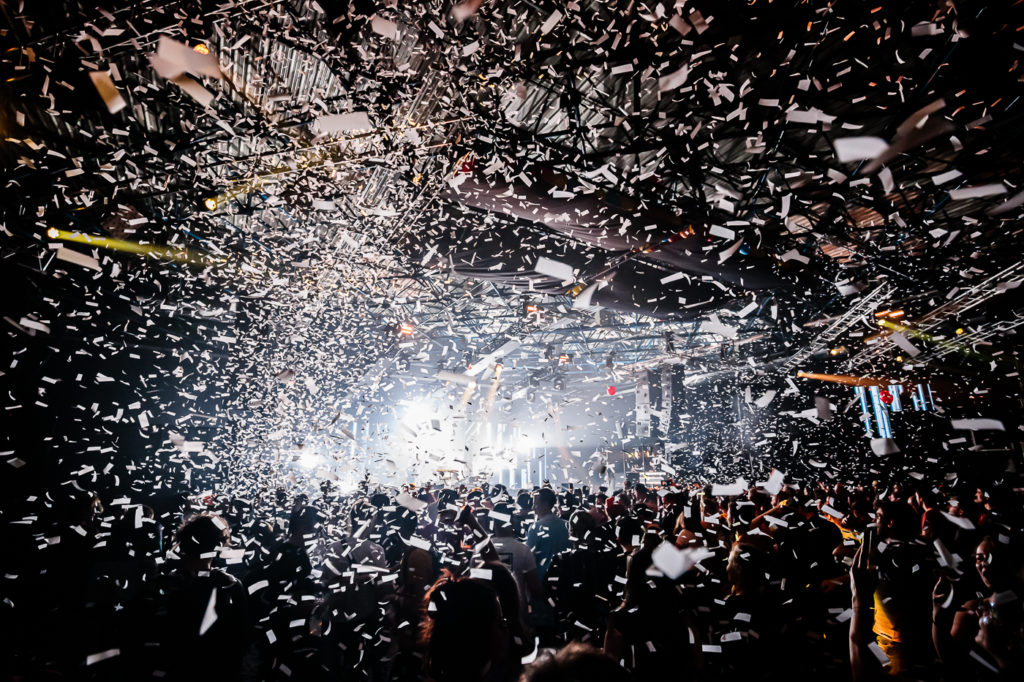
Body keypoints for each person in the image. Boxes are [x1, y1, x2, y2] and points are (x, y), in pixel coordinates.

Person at [526, 488, 570, 580]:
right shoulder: (567, 525)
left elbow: (529, 559)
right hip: (565, 577)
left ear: (545, 505)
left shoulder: (536, 528)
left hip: (543, 579)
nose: (533, 507)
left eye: (535, 504)